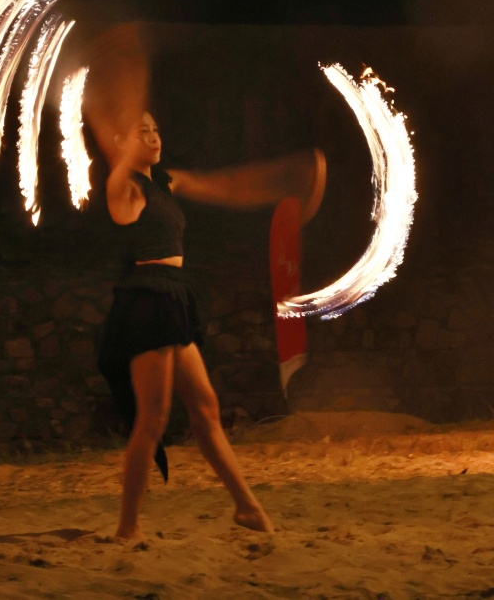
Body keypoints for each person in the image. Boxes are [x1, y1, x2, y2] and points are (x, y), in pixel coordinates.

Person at [96, 110, 326, 540]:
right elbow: (114, 176)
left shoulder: (163, 183)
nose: (152, 136)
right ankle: (127, 527)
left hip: (173, 297)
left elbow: (223, 186)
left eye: (155, 128)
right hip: (148, 302)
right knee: (154, 417)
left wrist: (282, 180)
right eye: (141, 132)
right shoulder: (124, 187)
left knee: (206, 409)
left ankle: (247, 508)